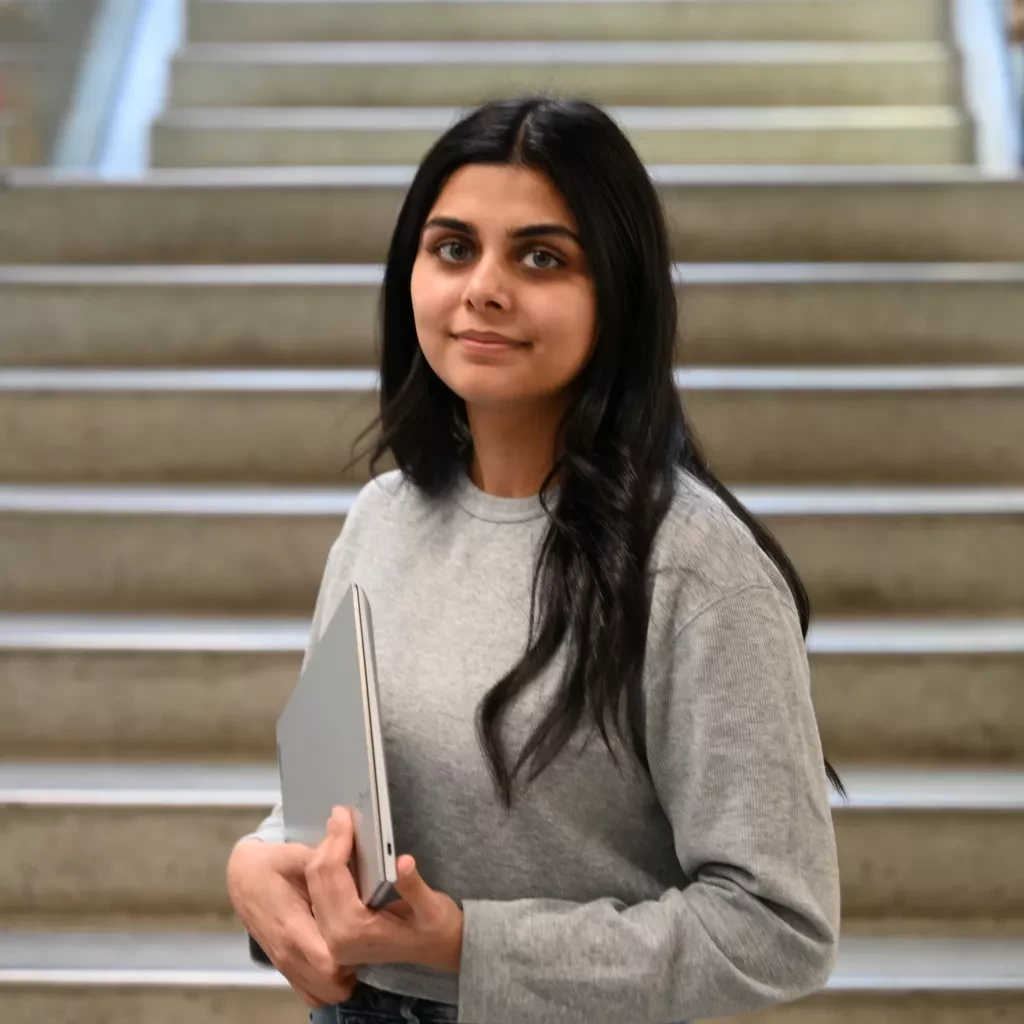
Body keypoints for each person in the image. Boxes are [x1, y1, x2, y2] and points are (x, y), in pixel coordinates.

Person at [226, 96, 842, 1024]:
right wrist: (260, 866)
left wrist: (471, 946)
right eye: (452, 248)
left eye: (542, 257)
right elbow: (336, 805)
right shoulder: (380, 520)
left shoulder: (696, 570)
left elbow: (776, 925)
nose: (484, 288)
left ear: (620, 292)